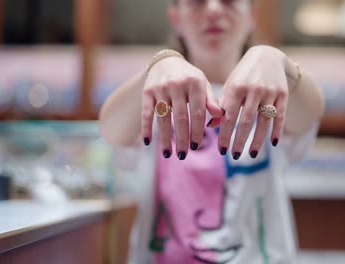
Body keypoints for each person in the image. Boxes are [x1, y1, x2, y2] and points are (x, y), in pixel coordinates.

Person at [100, 0, 324, 263]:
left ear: (251, 16)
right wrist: (158, 64)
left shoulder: (272, 95)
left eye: (229, 0)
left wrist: (278, 61)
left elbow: (310, 112)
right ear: (176, 18)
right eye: (197, 1)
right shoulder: (157, 93)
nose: (214, 10)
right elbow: (110, 129)